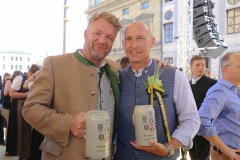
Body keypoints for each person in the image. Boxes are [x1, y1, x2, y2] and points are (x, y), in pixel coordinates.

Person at [22, 11, 122, 160]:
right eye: (97, 33)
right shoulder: (54, 64)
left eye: (109, 37)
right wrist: (68, 123)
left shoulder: (115, 68)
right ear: (85, 34)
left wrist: (159, 65)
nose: (102, 41)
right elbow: (31, 108)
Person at [115, 22, 200, 159]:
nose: (134, 45)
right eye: (129, 39)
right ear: (123, 43)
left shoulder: (174, 75)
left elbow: (191, 119)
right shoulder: (117, 78)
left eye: (141, 38)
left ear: (152, 41)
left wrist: (169, 147)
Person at [198, 52, 240, 160]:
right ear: (226, 69)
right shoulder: (219, 91)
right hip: (229, 155)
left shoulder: (235, 90)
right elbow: (202, 120)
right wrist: (224, 148)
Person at [183, 55, 216, 160]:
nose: (201, 68)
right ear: (191, 67)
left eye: (203, 65)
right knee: (192, 154)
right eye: (197, 65)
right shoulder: (186, 84)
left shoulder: (212, 83)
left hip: (204, 126)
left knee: (203, 155)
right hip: (190, 126)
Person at [7, 65, 40, 160]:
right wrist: (26, 94)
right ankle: (22, 154)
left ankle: (25, 154)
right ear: (30, 72)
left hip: (26, 106)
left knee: (25, 132)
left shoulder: (28, 80)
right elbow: (11, 93)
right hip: (19, 106)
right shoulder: (19, 78)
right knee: (21, 131)